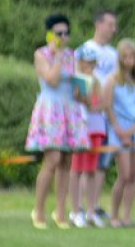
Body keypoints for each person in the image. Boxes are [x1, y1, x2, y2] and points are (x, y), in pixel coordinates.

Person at [26, 13, 89, 229]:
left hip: (70, 109)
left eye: (66, 33)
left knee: (66, 162)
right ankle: (39, 210)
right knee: (51, 160)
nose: (63, 37)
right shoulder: (41, 54)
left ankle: (60, 211)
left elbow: (78, 87)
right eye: (58, 33)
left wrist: (84, 88)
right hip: (50, 109)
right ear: (50, 34)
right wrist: (59, 58)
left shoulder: (72, 56)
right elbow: (51, 80)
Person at [77, 9, 119, 227]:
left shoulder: (113, 54)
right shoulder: (85, 49)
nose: (113, 29)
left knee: (99, 164)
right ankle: (81, 207)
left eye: (114, 25)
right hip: (86, 115)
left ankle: (93, 206)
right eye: (110, 24)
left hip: (104, 115)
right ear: (98, 24)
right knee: (83, 163)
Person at [104, 39, 135, 228]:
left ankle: (127, 215)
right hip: (119, 130)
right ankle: (113, 214)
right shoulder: (113, 80)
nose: (129, 60)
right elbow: (108, 107)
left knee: (133, 176)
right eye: (125, 57)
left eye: (132, 56)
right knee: (124, 174)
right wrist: (121, 131)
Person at [68, 46, 105, 228]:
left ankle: (91, 210)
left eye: (92, 62)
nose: (90, 66)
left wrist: (90, 101)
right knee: (76, 170)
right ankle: (75, 210)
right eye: (87, 62)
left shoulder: (97, 81)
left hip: (95, 128)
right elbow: (77, 102)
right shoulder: (74, 81)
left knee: (91, 170)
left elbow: (99, 104)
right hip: (79, 128)